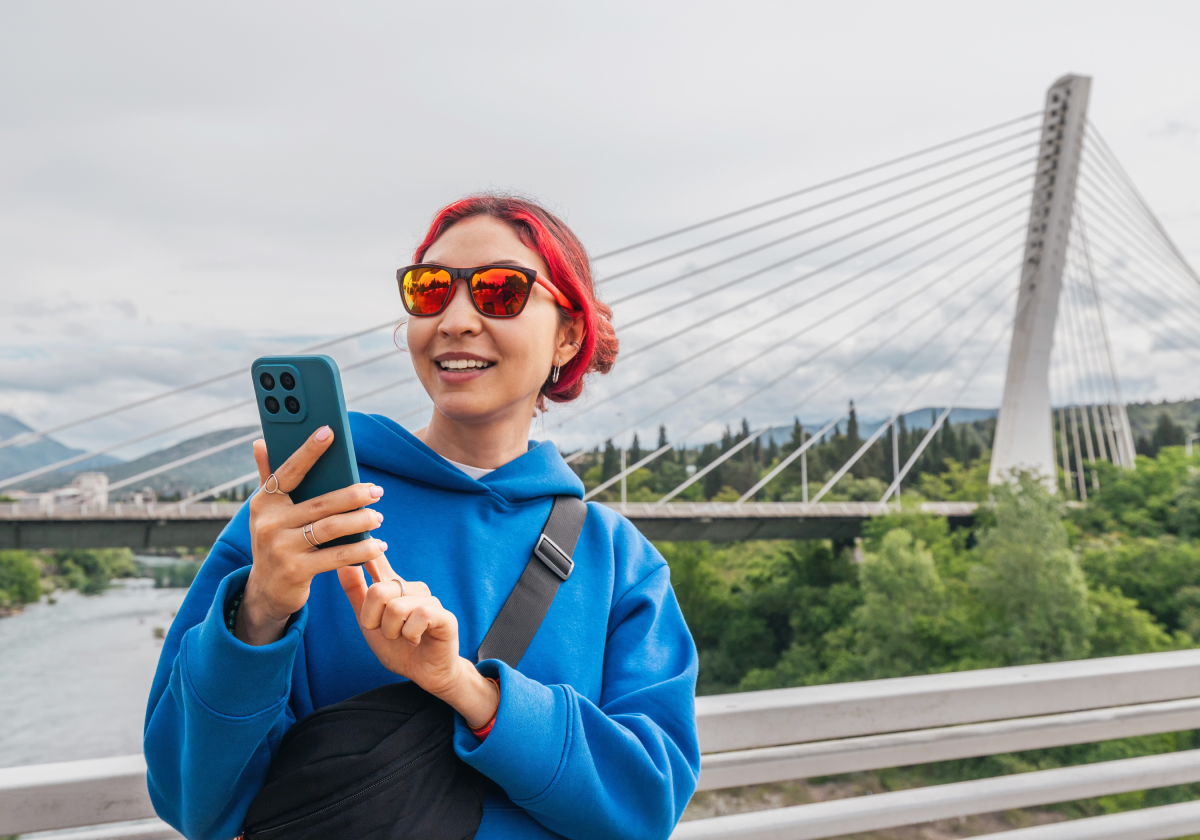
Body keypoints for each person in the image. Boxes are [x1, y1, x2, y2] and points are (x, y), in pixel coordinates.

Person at [143, 195, 701, 840]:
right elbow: (190, 799)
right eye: (431, 289)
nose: (455, 319)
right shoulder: (299, 520)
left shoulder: (617, 560)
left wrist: (467, 689)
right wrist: (260, 613)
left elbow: (646, 805)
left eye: (499, 291)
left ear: (568, 333)